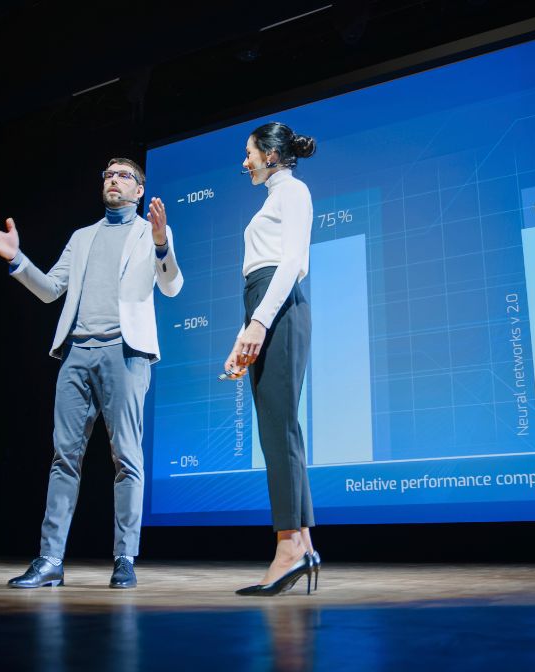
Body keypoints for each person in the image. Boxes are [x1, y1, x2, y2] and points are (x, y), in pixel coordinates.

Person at [0, 158, 182, 589]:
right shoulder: (82, 237)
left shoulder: (150, 234)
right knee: (63, 459)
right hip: (76, 354)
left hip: (126, 354)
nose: (114, 180)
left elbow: (171, 285)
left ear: (140, 189)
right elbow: (52, 289)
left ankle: (125, 558)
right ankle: (50, 559)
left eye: (124, 175)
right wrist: (17, 259)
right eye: (109, 175)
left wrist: (163, 244)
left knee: (126, 458)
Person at [223, 122, 320, 596]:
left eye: (249, 154)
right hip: (264, 306)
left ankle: (289, 548)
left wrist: (259, 321)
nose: (245, 163)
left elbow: (292, 262)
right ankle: (299, 541)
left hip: (278, 305)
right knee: (277, 429)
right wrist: (247, 329)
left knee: (279, 430)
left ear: (270, 154)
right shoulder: (274, 197)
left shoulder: (293, 192)